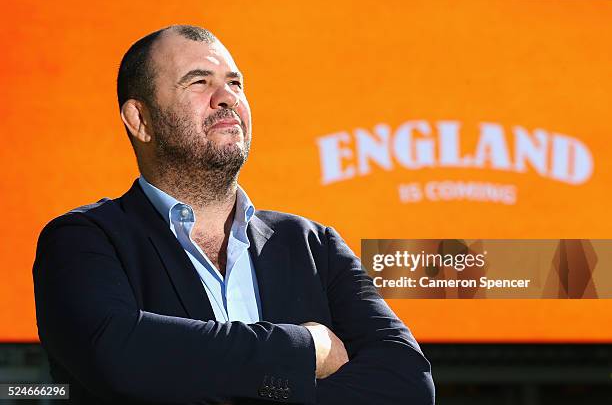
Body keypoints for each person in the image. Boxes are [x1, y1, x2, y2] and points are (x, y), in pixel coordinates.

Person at [33, 25, 434, 404]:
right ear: (140, 120)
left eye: (235, 83)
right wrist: (307, 348)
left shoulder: (313, 244)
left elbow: (407, 383)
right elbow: (118, 355)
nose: (227, 97)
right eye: (199, 81)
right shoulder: (82, 240)